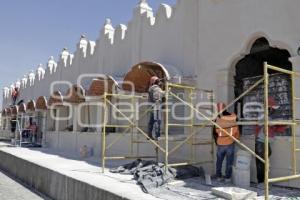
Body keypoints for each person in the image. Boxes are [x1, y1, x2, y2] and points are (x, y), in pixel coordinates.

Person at [255, 96, 286, 183]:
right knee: (261, 163)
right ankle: (261, 182)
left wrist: (280, 126)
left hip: (265, 141)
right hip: (260, 142)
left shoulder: (268, 115)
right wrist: (277, 123)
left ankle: (263, 181)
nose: (273, 110)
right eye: (272, 108)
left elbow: (271, 126)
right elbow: (267, 123)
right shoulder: (262, 114)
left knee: (265, 161)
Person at [214, 102, 240, 182]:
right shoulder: (233, 117)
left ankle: (218, 176)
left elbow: (214, 133)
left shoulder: (217, 119)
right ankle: (227, 178)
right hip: (230, 143)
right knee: (229, 162)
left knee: (219, 161)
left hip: (220, 143)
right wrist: (236, 138)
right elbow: (237, 129)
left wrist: (216, 142)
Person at [148, 76, 165, 140]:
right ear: (156, 82)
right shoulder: (156, 88)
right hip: (156, 107)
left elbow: (160, 93)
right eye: (158, 81)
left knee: (151, 121)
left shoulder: (152, 88)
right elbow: (158, 96)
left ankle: (149, 135)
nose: (159, 82)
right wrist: (167, 91)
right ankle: (157, 136)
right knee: (157, 121)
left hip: (152, 107)